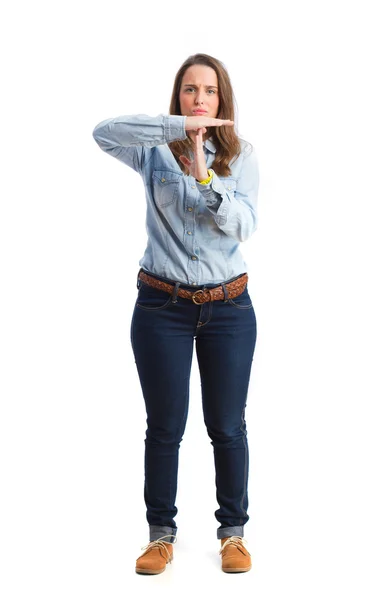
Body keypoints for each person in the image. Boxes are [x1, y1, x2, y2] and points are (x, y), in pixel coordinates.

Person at [92, 53, 259, 574]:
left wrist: (207, 180)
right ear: (179, 98)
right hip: (161, 306)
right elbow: (103, 132)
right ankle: (160, 535)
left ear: (222, 100)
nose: (200, 99)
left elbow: (243, 226)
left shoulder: (242, 156)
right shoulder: (153, 153)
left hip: (228, 308)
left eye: (208, 91)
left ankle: (233, 534)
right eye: (190, 90)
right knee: (164, 426)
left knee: (227, 426)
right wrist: (177, 129)